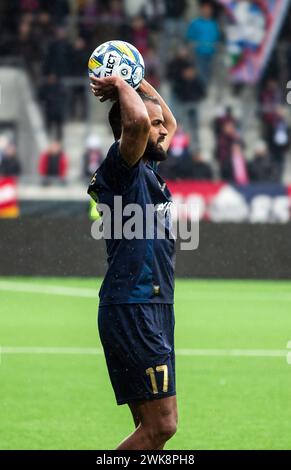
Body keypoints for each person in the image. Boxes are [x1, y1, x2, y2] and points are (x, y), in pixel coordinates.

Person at [88, 75, 177, 450]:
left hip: (152, 306)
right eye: (153, 124)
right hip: (133, 306)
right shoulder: (122, 169)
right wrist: (121, 84)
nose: (163, 130)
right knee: (162, 427)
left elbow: (169, 122)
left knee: (148, 427)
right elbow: (139, 123)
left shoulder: (149, 171)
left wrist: (139, 81)